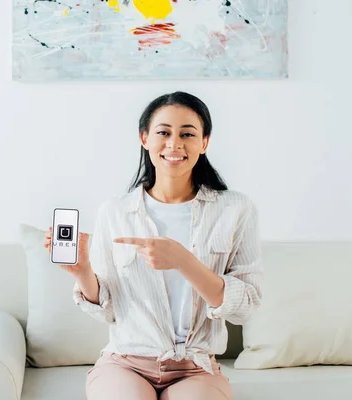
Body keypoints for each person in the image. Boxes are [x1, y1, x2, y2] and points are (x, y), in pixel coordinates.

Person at [44, 91, 263, 400]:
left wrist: (182, 259)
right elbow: (108, 311)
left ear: (205, 142)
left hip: (195, 367)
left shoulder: (235, 210)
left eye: (188, 133)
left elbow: (246, 308)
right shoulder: (115, 211)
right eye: (163, 132)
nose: (174, 144)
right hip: (125, 364)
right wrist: (83, 272)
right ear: (144, 138)